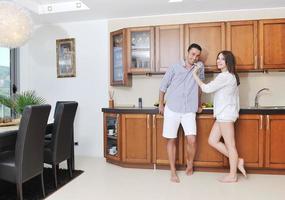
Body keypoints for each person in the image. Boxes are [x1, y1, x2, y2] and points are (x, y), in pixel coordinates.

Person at [192, 50, 247, 183]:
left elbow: (206, 88)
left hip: (225, 115)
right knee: (212, 140)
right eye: (218, 58)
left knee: (231, 145)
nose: (219, 61)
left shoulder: (225, 77)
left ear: (228, 62)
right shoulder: (230, 76)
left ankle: (233, 175)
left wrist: (195, 74)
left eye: (222, 59)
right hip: (224, 115)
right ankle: (238, 160)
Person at [159, 43, 205, 183]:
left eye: (197, 55)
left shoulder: (200, 67)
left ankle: (189, 163)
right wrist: (161, 103)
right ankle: (173, 171)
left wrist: (198, 104)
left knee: (192, 139)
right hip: (172, 108)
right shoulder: (175, 67)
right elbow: (163, 86)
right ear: (187, 53)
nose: (195, 58)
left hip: (189, 109)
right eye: (192, 54)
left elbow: (200, 87)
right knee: (171, 139)